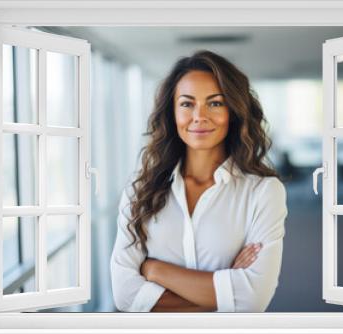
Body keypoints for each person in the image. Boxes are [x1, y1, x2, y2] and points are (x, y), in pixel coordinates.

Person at [110, 49, 288, 313]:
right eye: (187, 103)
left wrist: (154, 269)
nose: (199, 116)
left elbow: (252, 300)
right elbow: (124, 295)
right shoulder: (140, 188)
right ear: (172, 112)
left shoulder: (263, 192)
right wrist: (223, 292)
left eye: (215, 103)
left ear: (234, 111)